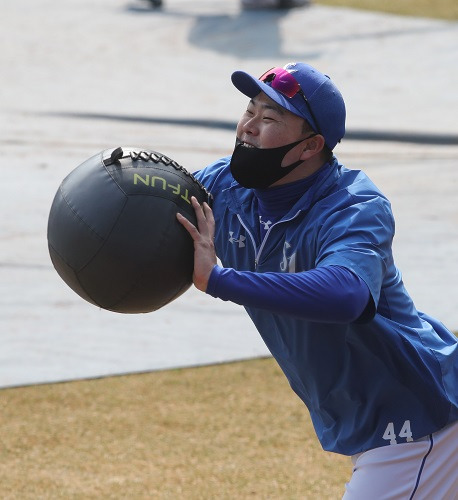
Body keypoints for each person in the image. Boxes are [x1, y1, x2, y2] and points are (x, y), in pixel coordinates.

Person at [176, 62, 458, 498]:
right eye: (250, 110)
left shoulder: (354, 206)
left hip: (419, 418)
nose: (249, 126)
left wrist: (220, 280)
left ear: (311, 146)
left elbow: (347, 294)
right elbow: (151, 208)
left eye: (269, 119)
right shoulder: (224, 189)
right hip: (385, 421)